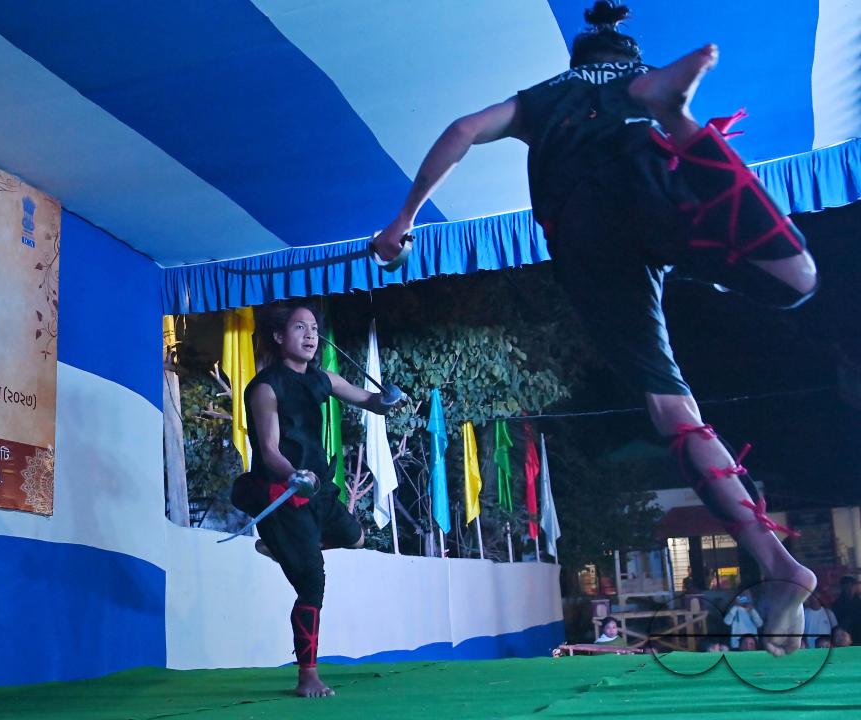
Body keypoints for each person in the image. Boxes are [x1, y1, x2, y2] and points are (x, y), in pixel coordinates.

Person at [374, 0, 818, 655]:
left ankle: (781, 567)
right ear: (632, 66)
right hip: (658, 195)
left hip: (590, 227)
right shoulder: (626, 85)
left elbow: (464, 128)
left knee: (670, 406)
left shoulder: (543, 97)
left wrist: (403, 218)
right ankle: (680, 118)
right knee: (795, 279)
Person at [232, 302, 405, 698]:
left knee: (358, 537)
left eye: (313, 328)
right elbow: (269, 448)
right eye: (299, 327)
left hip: (321, 489)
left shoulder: (322, 378)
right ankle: (307, 674)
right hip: (286, 491)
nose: (310, 335)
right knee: (312, 582)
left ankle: (283, 548)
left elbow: (368, 400)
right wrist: (292, 473)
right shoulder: (264, 387)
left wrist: (388, 400)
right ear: (279, 337)